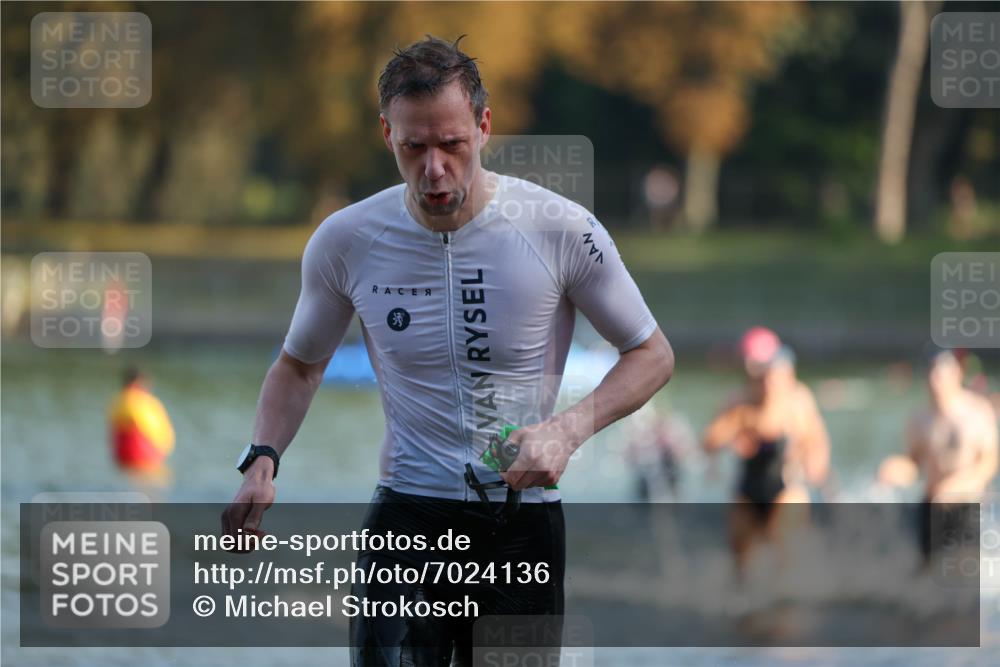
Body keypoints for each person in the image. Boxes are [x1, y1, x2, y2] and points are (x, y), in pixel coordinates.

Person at [221, 35, 674, 666]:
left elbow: (651, 353)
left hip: (521, 526)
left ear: (484, 127)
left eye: (452, 145)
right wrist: (262, 458)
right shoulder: (347, 240)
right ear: (387, 135)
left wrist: (568, 431)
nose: (434, 169)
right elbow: (299, 366)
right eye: (414, 147)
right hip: (408, 518)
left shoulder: (560, 227)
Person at [702, 328, 830, 577]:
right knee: (740, 565)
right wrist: (733, 432)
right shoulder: (739, 401)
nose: (767, 380)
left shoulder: (796, 400)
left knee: (786, 556)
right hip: (748, 490)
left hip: (786, 487)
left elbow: (817, 439)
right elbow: (709, 441)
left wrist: (816, 465)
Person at [878, 350, 998, 562]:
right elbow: (913, 462)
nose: (936, 383)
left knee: (963, 569)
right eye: (931, 376)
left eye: (941, 376)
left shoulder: (977, 413)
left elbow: (989, 463)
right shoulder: (920, 418)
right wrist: (896, 469)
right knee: (924, 571)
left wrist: (957, 487)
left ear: (956, 376)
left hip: (968, 504)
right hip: (932, 504)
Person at [108, 366, 175, 484]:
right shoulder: (143, 402)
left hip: (122, 458)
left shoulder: (116, 401)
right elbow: (159, 432)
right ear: (138, 381)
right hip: (145, 456)